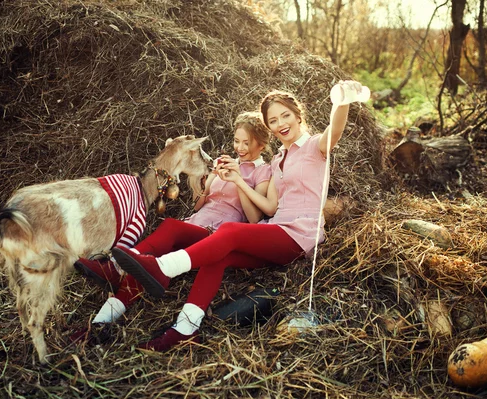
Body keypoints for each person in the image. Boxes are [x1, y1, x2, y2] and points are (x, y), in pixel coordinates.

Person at [112, 81, 363, 351]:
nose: (281, 124)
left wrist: (342, 100)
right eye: (273, 120)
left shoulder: (316, 147)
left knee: (230, 230)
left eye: (285, 116)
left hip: (300, 234)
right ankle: (184, 329)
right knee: (219, 255)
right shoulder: (278, 160)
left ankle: (162, 269)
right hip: (276, 229)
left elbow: (335, 129)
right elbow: (270, 207)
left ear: (298, 115)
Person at [74, 112, 273, 323]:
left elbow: (254, 218)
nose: (239, 148)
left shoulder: (263, 171)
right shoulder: (224, 162)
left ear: (261, 145)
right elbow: (198, 205)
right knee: (143, 267)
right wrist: (208, 181)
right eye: (236, 141)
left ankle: (113, 266)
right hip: (194, 225)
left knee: (170, 227)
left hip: (216, 236)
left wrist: (238, 181)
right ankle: (101, 321)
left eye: (246, 143)